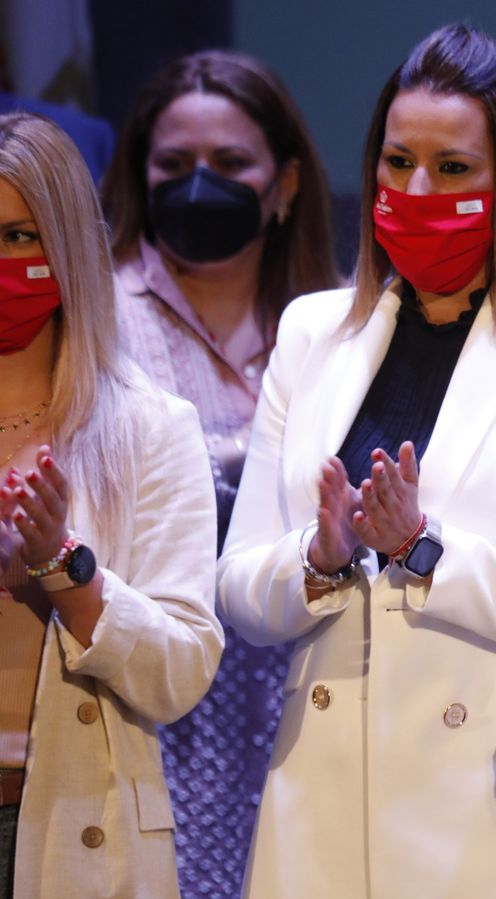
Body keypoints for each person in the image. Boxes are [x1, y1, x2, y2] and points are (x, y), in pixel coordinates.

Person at [216, 24, 496, 897]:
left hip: (488, 820)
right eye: (396, 161)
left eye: (452, 169)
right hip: (318, 810)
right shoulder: (312, 332)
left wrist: (423, 548)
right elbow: (237, 591)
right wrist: (319, 556)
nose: (415, 189)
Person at [98, 50, 340, 897]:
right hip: (147, 692)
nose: (200, 186)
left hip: (306, 696)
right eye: (174, 166)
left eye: (231, 165)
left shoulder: (337, 330)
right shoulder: (95, 320)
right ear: (140, 176)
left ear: (285, 184)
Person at [0, 112, 220, 897]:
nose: (2, 259)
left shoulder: (152, 428)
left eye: (21, 236)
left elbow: (182, 668)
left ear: (70, 249)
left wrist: (65, 565)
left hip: (72, 824)